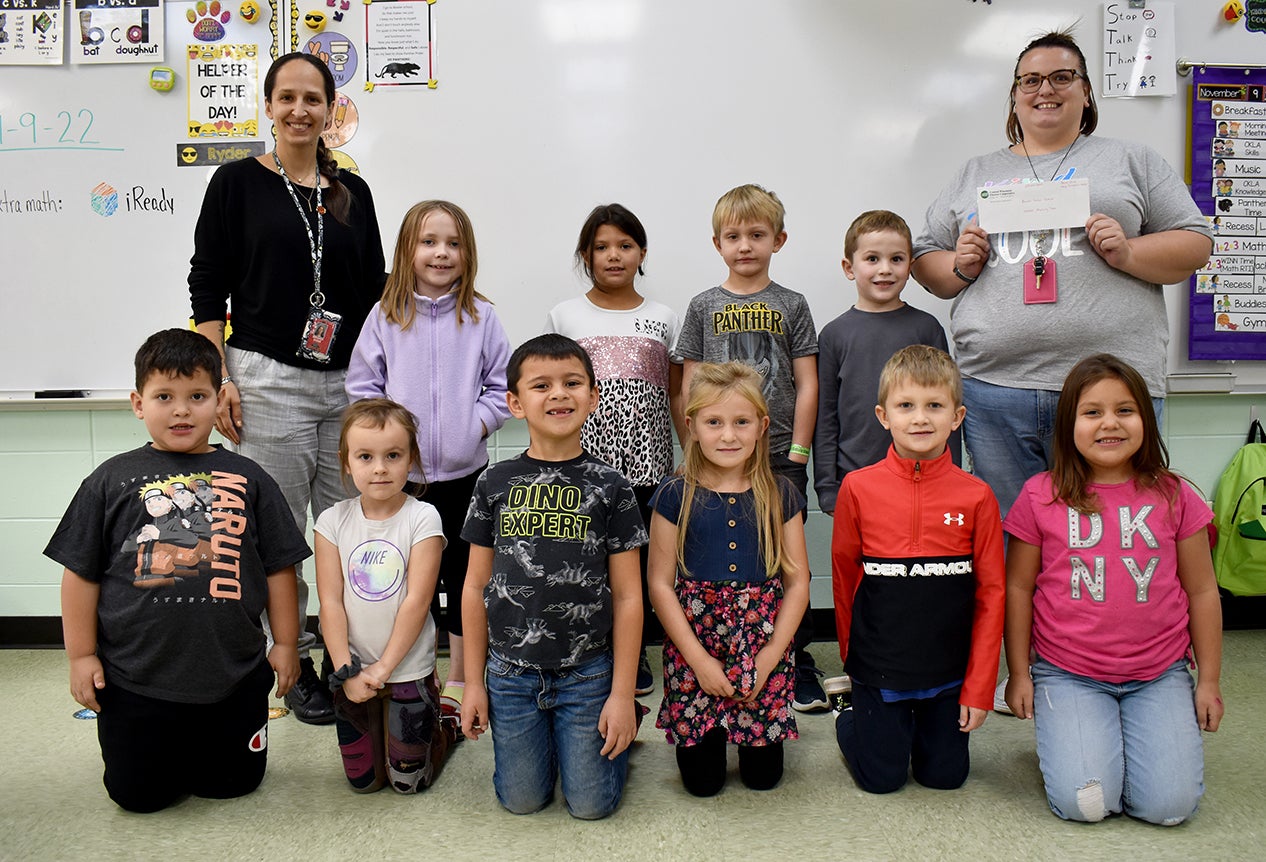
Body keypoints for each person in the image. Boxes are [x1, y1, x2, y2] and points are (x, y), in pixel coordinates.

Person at [912, 29, 1212, 518]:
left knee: (1110, 539)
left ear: (1086, 91)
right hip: (995, 390)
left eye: (1061, 77)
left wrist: (1129, 252)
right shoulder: (974, 172)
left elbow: (1196, 244)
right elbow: (926, 261)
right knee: (1014, 540)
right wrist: (960, 265)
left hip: (1113, 392)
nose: (1044, 89)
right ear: (1014, 96)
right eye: (1030, 80)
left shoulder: (1131, 160)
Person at [189, 51, 387, 724]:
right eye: (288, 98)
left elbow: (372, 294)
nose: (301, 110)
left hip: (348, 385)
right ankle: (289, 663)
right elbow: (207, 283)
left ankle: (350, 661)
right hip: (265, 377)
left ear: (332, 110)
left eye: (314, 99)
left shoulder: (351, 194)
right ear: (269, 107)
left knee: (350, 531)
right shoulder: (236, 183)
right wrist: (217, 379)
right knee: (273, 534)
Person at [46, 329, 311, 813]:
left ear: (220, 399)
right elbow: (80, 573)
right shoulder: (110, 479)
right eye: (164, 396)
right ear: (138, 403)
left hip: (234, 676)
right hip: (135, 680)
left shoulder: (251, 478)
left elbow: (280, 568)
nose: (182, 410)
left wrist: (288, 644)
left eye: (197, 396)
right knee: (138, 797)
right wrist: (81, 656)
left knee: (234, 785)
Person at [1002, 354, 1223, 825]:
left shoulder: (1175, 495)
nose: (1110, 424)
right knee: (1088, 806)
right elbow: (1018, 589)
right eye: (1092, 412)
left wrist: (1208, 681)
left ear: (1147, 417)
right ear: (1069, 424)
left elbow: (1203, 592)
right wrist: (1019, 674)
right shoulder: (1041, 494)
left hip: (1158, 674)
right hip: (1068, 673)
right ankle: (1081, 739)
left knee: (1169, 808)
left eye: (1125, 410)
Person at [460, 334, 647, 820]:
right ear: (516, 403)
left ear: (594, 395)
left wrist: (623, 695)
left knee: (591, 806)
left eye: (572, 383)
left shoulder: (612, 486)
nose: (559, 394)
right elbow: (475, 586)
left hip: (588, 672)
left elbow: (629, 596)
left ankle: (617, 731)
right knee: (522, 801)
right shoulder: (492, 481)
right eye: (541, 385)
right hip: (510, 673)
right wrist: (473, 684)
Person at [345, 200, 511, 722]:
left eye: (454, 244)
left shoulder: (482, 316)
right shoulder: (385, 316)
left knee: (466, 579)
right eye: (429, 242)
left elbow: (502, 387)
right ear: (407, 250)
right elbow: (362, 386)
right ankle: (414, 673)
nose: (442, 253)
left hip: (466, 476)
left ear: (468, 253)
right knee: (412, 582)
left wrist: (474, 425)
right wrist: (389, 442)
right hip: (403, 483)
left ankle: (462, 677)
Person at [673, 183, 825, 712]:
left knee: (785, 563)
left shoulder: (792, 303)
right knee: (720, 557)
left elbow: (808, 381)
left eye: (757, 235)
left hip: (778, 454)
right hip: (717, 453)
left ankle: (794, 658)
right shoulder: (702, 305)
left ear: (778, 240)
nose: (745, 246)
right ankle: (711, 652)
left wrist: (800, 451)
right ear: (717, 243)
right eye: (733, 236)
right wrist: (692, 448)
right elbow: (689, 385)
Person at [830, 345, 1005, 794]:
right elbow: (846, 579)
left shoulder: (978, 496)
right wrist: (854, 661)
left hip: (947, 671)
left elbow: (991, 594)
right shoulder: (858, 488)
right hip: (880, 667)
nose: (920, 418)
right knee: (881, 780)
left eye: (934, 406)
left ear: (958, 415)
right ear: (884, 415)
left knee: (944, 778)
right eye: (906, 406)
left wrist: (979, 686)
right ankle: (851, 717)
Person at [647, 362, 810, 796]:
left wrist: (770, 657)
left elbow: (798, 584)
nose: (728, 435)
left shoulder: (781, 493)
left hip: (762, 646)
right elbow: (660, 585)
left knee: (763, 780)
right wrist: (700, 663)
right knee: (703, 785)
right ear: (692, 425)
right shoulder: (672, 495)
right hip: (693, 648)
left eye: (741, 422)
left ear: (762, 426)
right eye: (714, 422)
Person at [544, 203, 682, 696]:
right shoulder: (565, 315)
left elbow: (676, 391)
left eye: (625, 245)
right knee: (591, 562)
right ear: (586, 255)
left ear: (641, 252)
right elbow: (554, 391)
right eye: (601, 247)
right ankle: (594, 651)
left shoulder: (663, 317)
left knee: (642, 565)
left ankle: (638, 654)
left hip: (650, 464)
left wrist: (688, 457)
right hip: (586, 467)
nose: (614, 256)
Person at [315, 399, 459, 794]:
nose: (379, 468)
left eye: (393, 455)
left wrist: (383, 670)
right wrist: (347, 670)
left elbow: (417, 600)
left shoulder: (422, 516)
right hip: (352, 669)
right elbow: (329, 602)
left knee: (407, 783)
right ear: (346, 462)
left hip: (406, 666)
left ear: (410, 458)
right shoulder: (331, 521)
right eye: (365, 456)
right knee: (363, 784)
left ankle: (444, 729)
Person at [814, 209, 955, 516]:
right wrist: (827, 486)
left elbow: (947, 406)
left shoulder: (927, 328)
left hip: (924, 480)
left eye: (896, 259)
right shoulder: (833, 335)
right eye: (872, 259)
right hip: (856, 482)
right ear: (849, 267)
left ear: (911, 266)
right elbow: (825, 418)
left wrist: (951, 475)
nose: (885, 269)